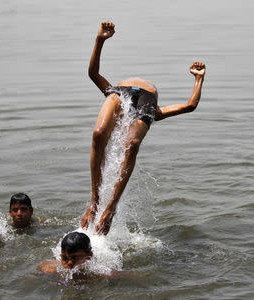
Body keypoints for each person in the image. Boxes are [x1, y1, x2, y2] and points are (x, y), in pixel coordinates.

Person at [81, 21, 206, 235]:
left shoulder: (154, 112)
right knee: (98, 133)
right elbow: (93, 74)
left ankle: (110, 207)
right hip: (120, 91)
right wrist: (99, 40)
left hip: (147, 97)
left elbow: (190, 106)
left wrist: (198, 79)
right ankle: (95, 201)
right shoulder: (117, 100)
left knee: (132, 144)